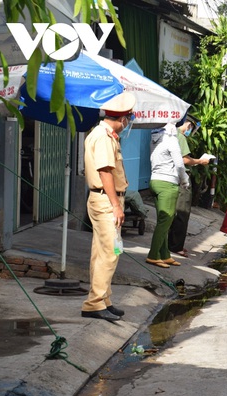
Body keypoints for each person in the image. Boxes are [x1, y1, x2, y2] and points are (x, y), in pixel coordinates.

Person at [82, 91, 136, 322]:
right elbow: (105, 171)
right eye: (129, 117)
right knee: (110, 253)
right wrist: (116, 205)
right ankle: (95, 303)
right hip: (106, 202)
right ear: (122, 117)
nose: (129, 122)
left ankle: (103, 299)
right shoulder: (103, 137)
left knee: (103, 252)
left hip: (105, 201)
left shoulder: (106, 135)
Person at [146, 124, 188, 269]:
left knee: (162, 220)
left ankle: (165, 255)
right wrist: (185, 180)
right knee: (166, 221)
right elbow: (180, 165)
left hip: (155, 181)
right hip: (167, 184)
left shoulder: (154, 139)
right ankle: (153, 255)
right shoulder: (171, 141)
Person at [168, 118, 210, 257]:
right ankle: (176, 246)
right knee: (182, 213)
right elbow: (184, 160)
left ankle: (171, 244)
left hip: (169, 178)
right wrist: (200, 161)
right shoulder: (180, 137)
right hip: (181, 179)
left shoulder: (168, 134)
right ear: (188, 124)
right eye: (191, 127)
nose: (190, 131)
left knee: (171, 213)